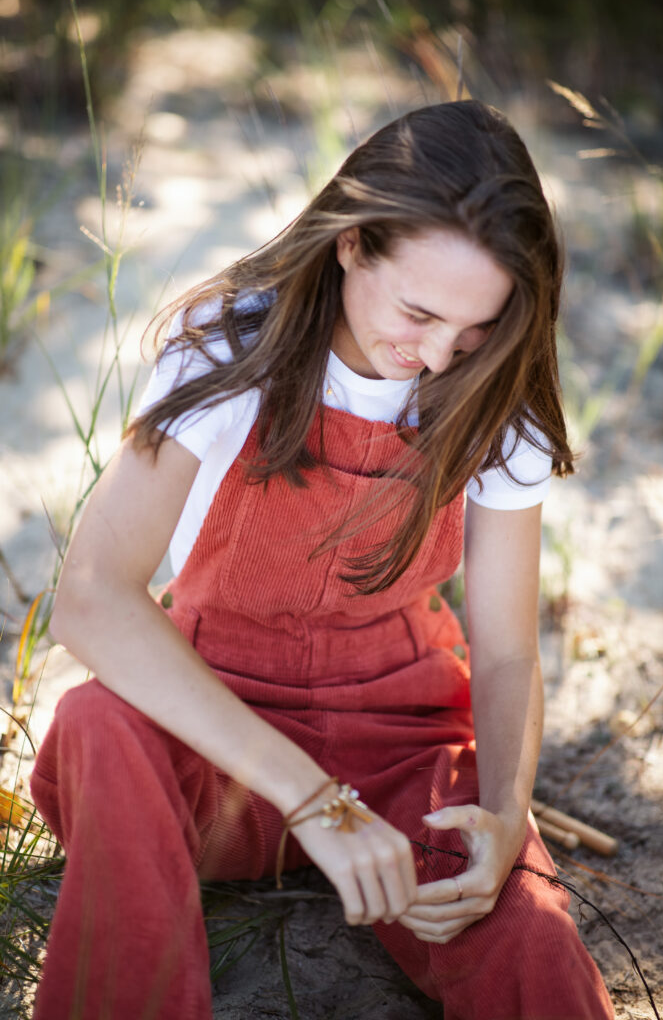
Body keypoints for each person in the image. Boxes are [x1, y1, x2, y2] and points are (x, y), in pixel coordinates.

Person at [31, 99, 614, 1019]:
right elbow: (95, 597)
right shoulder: (230, 343)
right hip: (212, 721)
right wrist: (315, 805)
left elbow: (504, 652)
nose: (434, 357)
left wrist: (504, 815)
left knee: (531, 937)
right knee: (97, 726)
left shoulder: (494, 391)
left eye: (471, 331)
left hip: (402, 737)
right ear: (351, 244)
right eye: (418, 312)